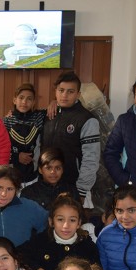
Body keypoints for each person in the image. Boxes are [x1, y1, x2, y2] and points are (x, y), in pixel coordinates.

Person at [19, 194, 99, 270]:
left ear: (79, 223)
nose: (66, 226)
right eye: (60, 219)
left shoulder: (87, 246)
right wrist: (38, 269)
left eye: (72, 220)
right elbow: (18, 255)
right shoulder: (40, 241)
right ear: (51, 221)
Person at [41, 71, 100, 205]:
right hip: (46, 185)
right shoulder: (48, 114)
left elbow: (91, 158)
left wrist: (82, 190)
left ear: (78, 94)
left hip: (73, 187)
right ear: (55, 91)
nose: (64, 95)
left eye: (70, 91)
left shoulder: (87, 119)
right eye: (61, 90)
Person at [0, 165, 48, 252]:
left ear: (16, 190)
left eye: (10, 189)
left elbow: (48, 223)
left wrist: (35, 245)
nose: (3, 194)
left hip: (24, 262)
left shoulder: (28, 206)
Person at [2, 83, 46, 184]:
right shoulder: (6, 121)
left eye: (29, 99)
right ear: (14, 100)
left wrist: (53, 102)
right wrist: (16, 157)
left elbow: (58, 107)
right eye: (21, 98)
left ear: (34, 102)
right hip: (11, 176)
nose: (24, 102)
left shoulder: (39, 117)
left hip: (34, 176)